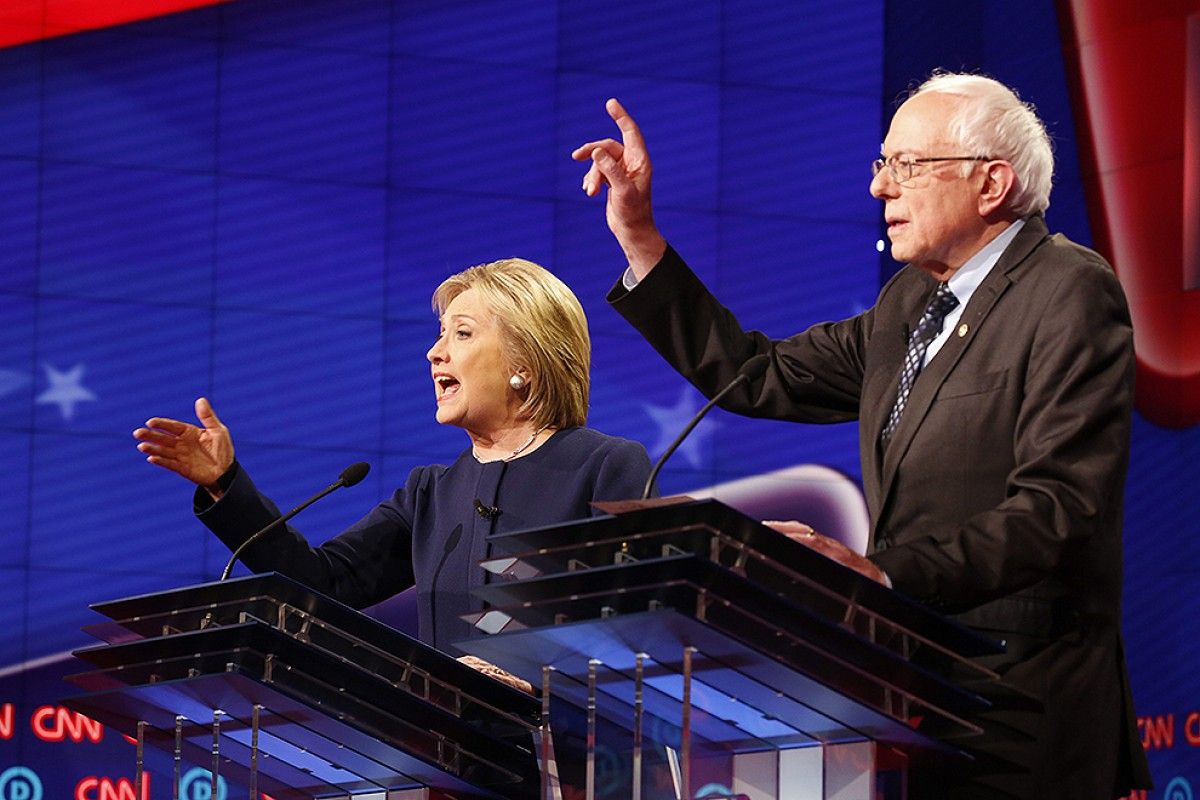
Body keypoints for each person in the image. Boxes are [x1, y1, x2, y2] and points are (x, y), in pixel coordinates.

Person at [573, 74, 1152, 798]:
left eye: (906, 165)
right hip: (916, 698)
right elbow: (754, 373)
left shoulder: (1068, 289)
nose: (881, 187)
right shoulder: (908, 305)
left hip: (1026, 709)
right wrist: (640, 236)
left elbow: (1060, 508)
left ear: (993, 183)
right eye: (883, 164)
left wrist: (881, 576)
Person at [132, 257, 652, 653]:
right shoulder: (430, 494)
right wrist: (227, 483)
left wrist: (529, 667)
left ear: (526, 360)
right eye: (440, 333)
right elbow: (320, 583)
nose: (435, 352)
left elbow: (637, 621)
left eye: (462, 333)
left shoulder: (606, 468)